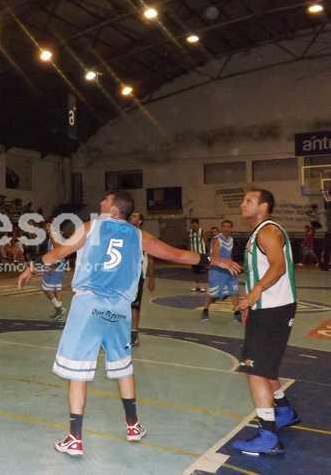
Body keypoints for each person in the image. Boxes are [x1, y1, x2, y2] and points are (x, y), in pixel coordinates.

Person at [18, 191, 240, 457]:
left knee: (78, 373)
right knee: (123, 368)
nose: (100, 202)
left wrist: (33, 267)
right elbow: (177, 255)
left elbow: (60, 252)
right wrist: (216, 260)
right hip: (119, 309)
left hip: (89, 305)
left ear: (114, 210)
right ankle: (133, 426)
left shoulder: (91, 227)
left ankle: (75, 438)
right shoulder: (139, 235)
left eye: (105, 200)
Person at [232, 189, 299, 456]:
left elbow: (277, 266)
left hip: (273, 309)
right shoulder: (259, 232)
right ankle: (284, 410)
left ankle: (268, 436)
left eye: (248, 201)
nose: (242, 204)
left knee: (255, 369)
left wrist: (257, 290)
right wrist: (250, 301)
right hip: (266, 308)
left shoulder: (268, 231)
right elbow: (258, 270)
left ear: (263, 206)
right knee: (265, 365)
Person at [201, 220, 241, 322]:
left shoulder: (231, 239)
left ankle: (237, 313)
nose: (226, 228)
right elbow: (215, 257)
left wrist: (232, 265)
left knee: (234, 290)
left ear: (231, 228)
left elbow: (229, 255)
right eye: (224, 226)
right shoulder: (217, 239)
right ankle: (205, 310)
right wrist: (223, 264)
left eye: (228, 226)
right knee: (212, 293)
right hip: (217, 270)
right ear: (221, 228)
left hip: (229, 269)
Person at [128, 212, 155, 346]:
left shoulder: (145, 237)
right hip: (122, 275)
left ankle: (134, 334)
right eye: (131, 216)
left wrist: (151, 278)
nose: (131, 218)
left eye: (135, 216)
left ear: (140, 221)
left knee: (135, 305)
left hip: (137, 275)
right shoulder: (123, 234)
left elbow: (151, 258)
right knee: (118, 305)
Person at [40, 219, 68, 322]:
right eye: (46, 227)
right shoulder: (57, 236)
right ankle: (59, 311)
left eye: (49, 226)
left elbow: (59, 251)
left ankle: (59, 308)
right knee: (57, 288)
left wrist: (53, 266)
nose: (47, 228)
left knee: (45, 288)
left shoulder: (54, 237)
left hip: (56, 265)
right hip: (59, 264)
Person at [188, 218, 207, 292]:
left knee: (202, 271)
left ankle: (202, 285)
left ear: (198, 225)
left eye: (195, 225)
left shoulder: (202, 232)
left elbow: (206, 242)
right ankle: (196, 285)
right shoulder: (190, 232)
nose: (194, 226)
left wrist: (207, 253)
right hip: (193, 255)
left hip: (201, 254)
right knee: (194, 271)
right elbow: (189, 243)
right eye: (192, 225)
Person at [320, 189, 331, 271]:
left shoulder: (329, 206)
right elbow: (326, 201)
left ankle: (326, 265)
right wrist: (324, 194)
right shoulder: (328, 206)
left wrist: (324, 193)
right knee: (326, 248)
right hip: (329, 231)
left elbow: (327, 201)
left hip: (329, 231)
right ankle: (325, 265)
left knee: (327, 248)